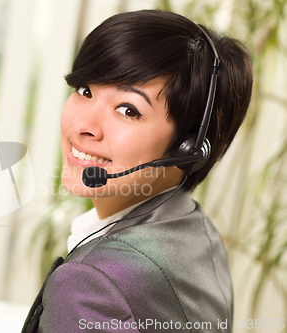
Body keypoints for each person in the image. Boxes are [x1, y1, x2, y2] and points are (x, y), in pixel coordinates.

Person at [22, 9, 253, 333]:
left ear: (188, 148)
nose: (83, 127)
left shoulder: (90, 285)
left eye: (128, 110)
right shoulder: (198, 235)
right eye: (85, 91)